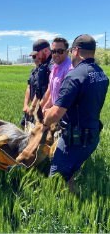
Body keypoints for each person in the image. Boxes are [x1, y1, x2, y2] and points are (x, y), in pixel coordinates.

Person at [40, 34, 108, 195]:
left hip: (74, 140)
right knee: (68, 173)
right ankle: (76, 198)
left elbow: (56, 112)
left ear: (76, 51)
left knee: (56, 180)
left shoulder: (75, 75)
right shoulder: (101, 73)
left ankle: (63, 213)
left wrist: (45, 122)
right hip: (92, 136)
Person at [23, 39, 52, 130]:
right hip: (42, 105)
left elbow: (51, 90)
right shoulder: (43, 65)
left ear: (45, 50)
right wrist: (33, 106)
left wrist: (40, 108)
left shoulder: (52, 65)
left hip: (47, 108)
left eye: (37, 54)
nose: (36, 57)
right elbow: (38, 89)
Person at [42, 37, 74, 114]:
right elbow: (53, 93)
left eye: (60, 51)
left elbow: (68, 100)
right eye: (53, 51)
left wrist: (51, 111)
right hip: (55, 114)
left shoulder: (70, 70)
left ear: (67, 52)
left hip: (65, 117)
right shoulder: (54, 68)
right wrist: (45, 108)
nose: (56, 54)